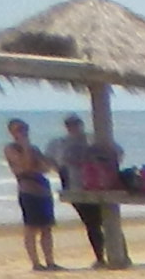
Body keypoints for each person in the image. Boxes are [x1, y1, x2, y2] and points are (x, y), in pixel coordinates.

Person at [51, 113, 121, 267]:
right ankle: (100, 257)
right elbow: (51, 161)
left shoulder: (92, 139)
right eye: (70, 125)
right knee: (92, 223)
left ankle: (116, 255)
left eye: (76, 124)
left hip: (97, 186)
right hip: (75, 187)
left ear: (81, 125)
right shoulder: (60, 143)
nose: (73, 128)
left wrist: (103, 167)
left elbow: (117, 153)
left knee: (105, 221)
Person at [3, 118, 60, 270]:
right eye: (18, 130)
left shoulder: (34, 149)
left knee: (47, 228)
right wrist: (25, 147)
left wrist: (35, 160)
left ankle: (50, 261)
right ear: (12, 132)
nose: (22, 132)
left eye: (24, 129)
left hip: (42, 190)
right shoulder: (11, 148)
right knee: (31, 228)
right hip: (28, 191)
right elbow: (26, 165)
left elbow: (46, 167)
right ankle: (36, 263)